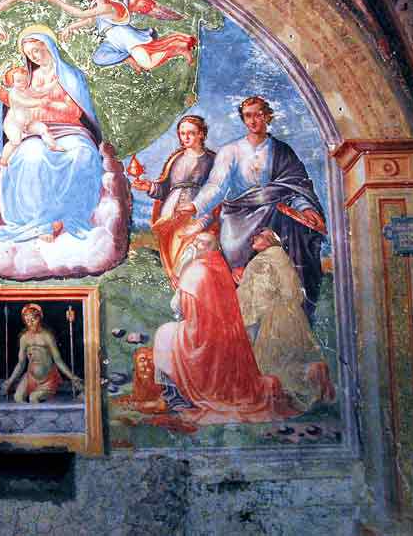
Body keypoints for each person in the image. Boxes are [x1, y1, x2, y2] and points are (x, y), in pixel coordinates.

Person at [182, 95, 326, 319]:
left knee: (281, 268)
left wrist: (306, 209)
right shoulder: (231, 150)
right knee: (232, 256)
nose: (252, 120)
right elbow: (216, 185)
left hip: (273, 217)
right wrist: (195, 205)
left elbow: (294, 187)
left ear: (267, 116)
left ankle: (279, 320)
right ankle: (236, 322)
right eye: (247, 116)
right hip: (237, 217)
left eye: (258, 114)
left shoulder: (282, 151)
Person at [151, 229, 297, 423]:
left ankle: (174, 397)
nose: (193, 245)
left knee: (164, 333)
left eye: (199, 243)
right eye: (195, 241)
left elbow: (178, 308)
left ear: (208, 247)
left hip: (202, 338)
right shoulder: (220, 266)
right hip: (227, 335)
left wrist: (183, 272)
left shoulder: (195, 270)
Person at [0, 25, 104, 243]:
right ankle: (39, 221)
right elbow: (13, 100)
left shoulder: (71, 76)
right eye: (29, 54)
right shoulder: (27, 78)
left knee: (82, 154)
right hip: (35, 129)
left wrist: (43, 104)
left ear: (48, 46)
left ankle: (69, 216)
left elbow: (75, 111)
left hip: (70, 129)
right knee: (31, 156)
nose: (33, 57)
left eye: (36, 50)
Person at [237, 228, 335, 411]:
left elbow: (262, 293)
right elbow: (291, 290)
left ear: (268, 240)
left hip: (274, 318)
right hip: (289, 315)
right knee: (288, 358)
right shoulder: (278, 256)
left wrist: (250, 316)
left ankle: (310, 376)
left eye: (259, 236)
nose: (254, 239)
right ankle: (313, 370)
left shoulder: (265, 259)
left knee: (272, 364)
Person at [45, 0, 196, 72]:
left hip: (126, 38)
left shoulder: (107, 7)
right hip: (114, 41)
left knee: (148, 64)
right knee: (99, 58)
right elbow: (89, 20)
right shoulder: (97, 6)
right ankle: (128, 58)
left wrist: (57, 1)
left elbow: (80, 14)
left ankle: (178, 48)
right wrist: (71, 27)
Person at [133, 114, 216, 283]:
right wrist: (149, 187)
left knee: (192, 256)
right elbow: (164, 189)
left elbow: (216, 191)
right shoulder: (175, 159)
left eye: (191, 133)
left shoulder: (212, 160)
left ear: (201, 134)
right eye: (182, 133)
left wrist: (203, 217)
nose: (185, 137)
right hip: (170, 216)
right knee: (173, 256)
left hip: (197, 215)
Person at [0, 65, 64, 166]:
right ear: (12, 83)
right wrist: (41, 102)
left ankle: (53, 146)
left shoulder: (28, 89)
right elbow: (26, 102)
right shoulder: (14, 94)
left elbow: (40, 91)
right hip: (14, 125)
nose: (23, 83)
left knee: (43, 129)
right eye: (18, 81)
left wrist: (54, 83)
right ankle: (3, 160)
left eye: (24, 80)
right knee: (15, 141)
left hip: (27, 123)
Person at [0, 303, 83, 403]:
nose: (30, 324)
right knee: (17, 397)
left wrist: (72, 377)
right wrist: (10, 381)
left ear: (39, 318)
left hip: (47, 379)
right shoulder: (24, 338)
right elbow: (21, 363)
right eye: (27, 321)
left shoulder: (47, 336)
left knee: (33, 398)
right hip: (30, 377)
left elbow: (58, 360)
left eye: (33, 320)